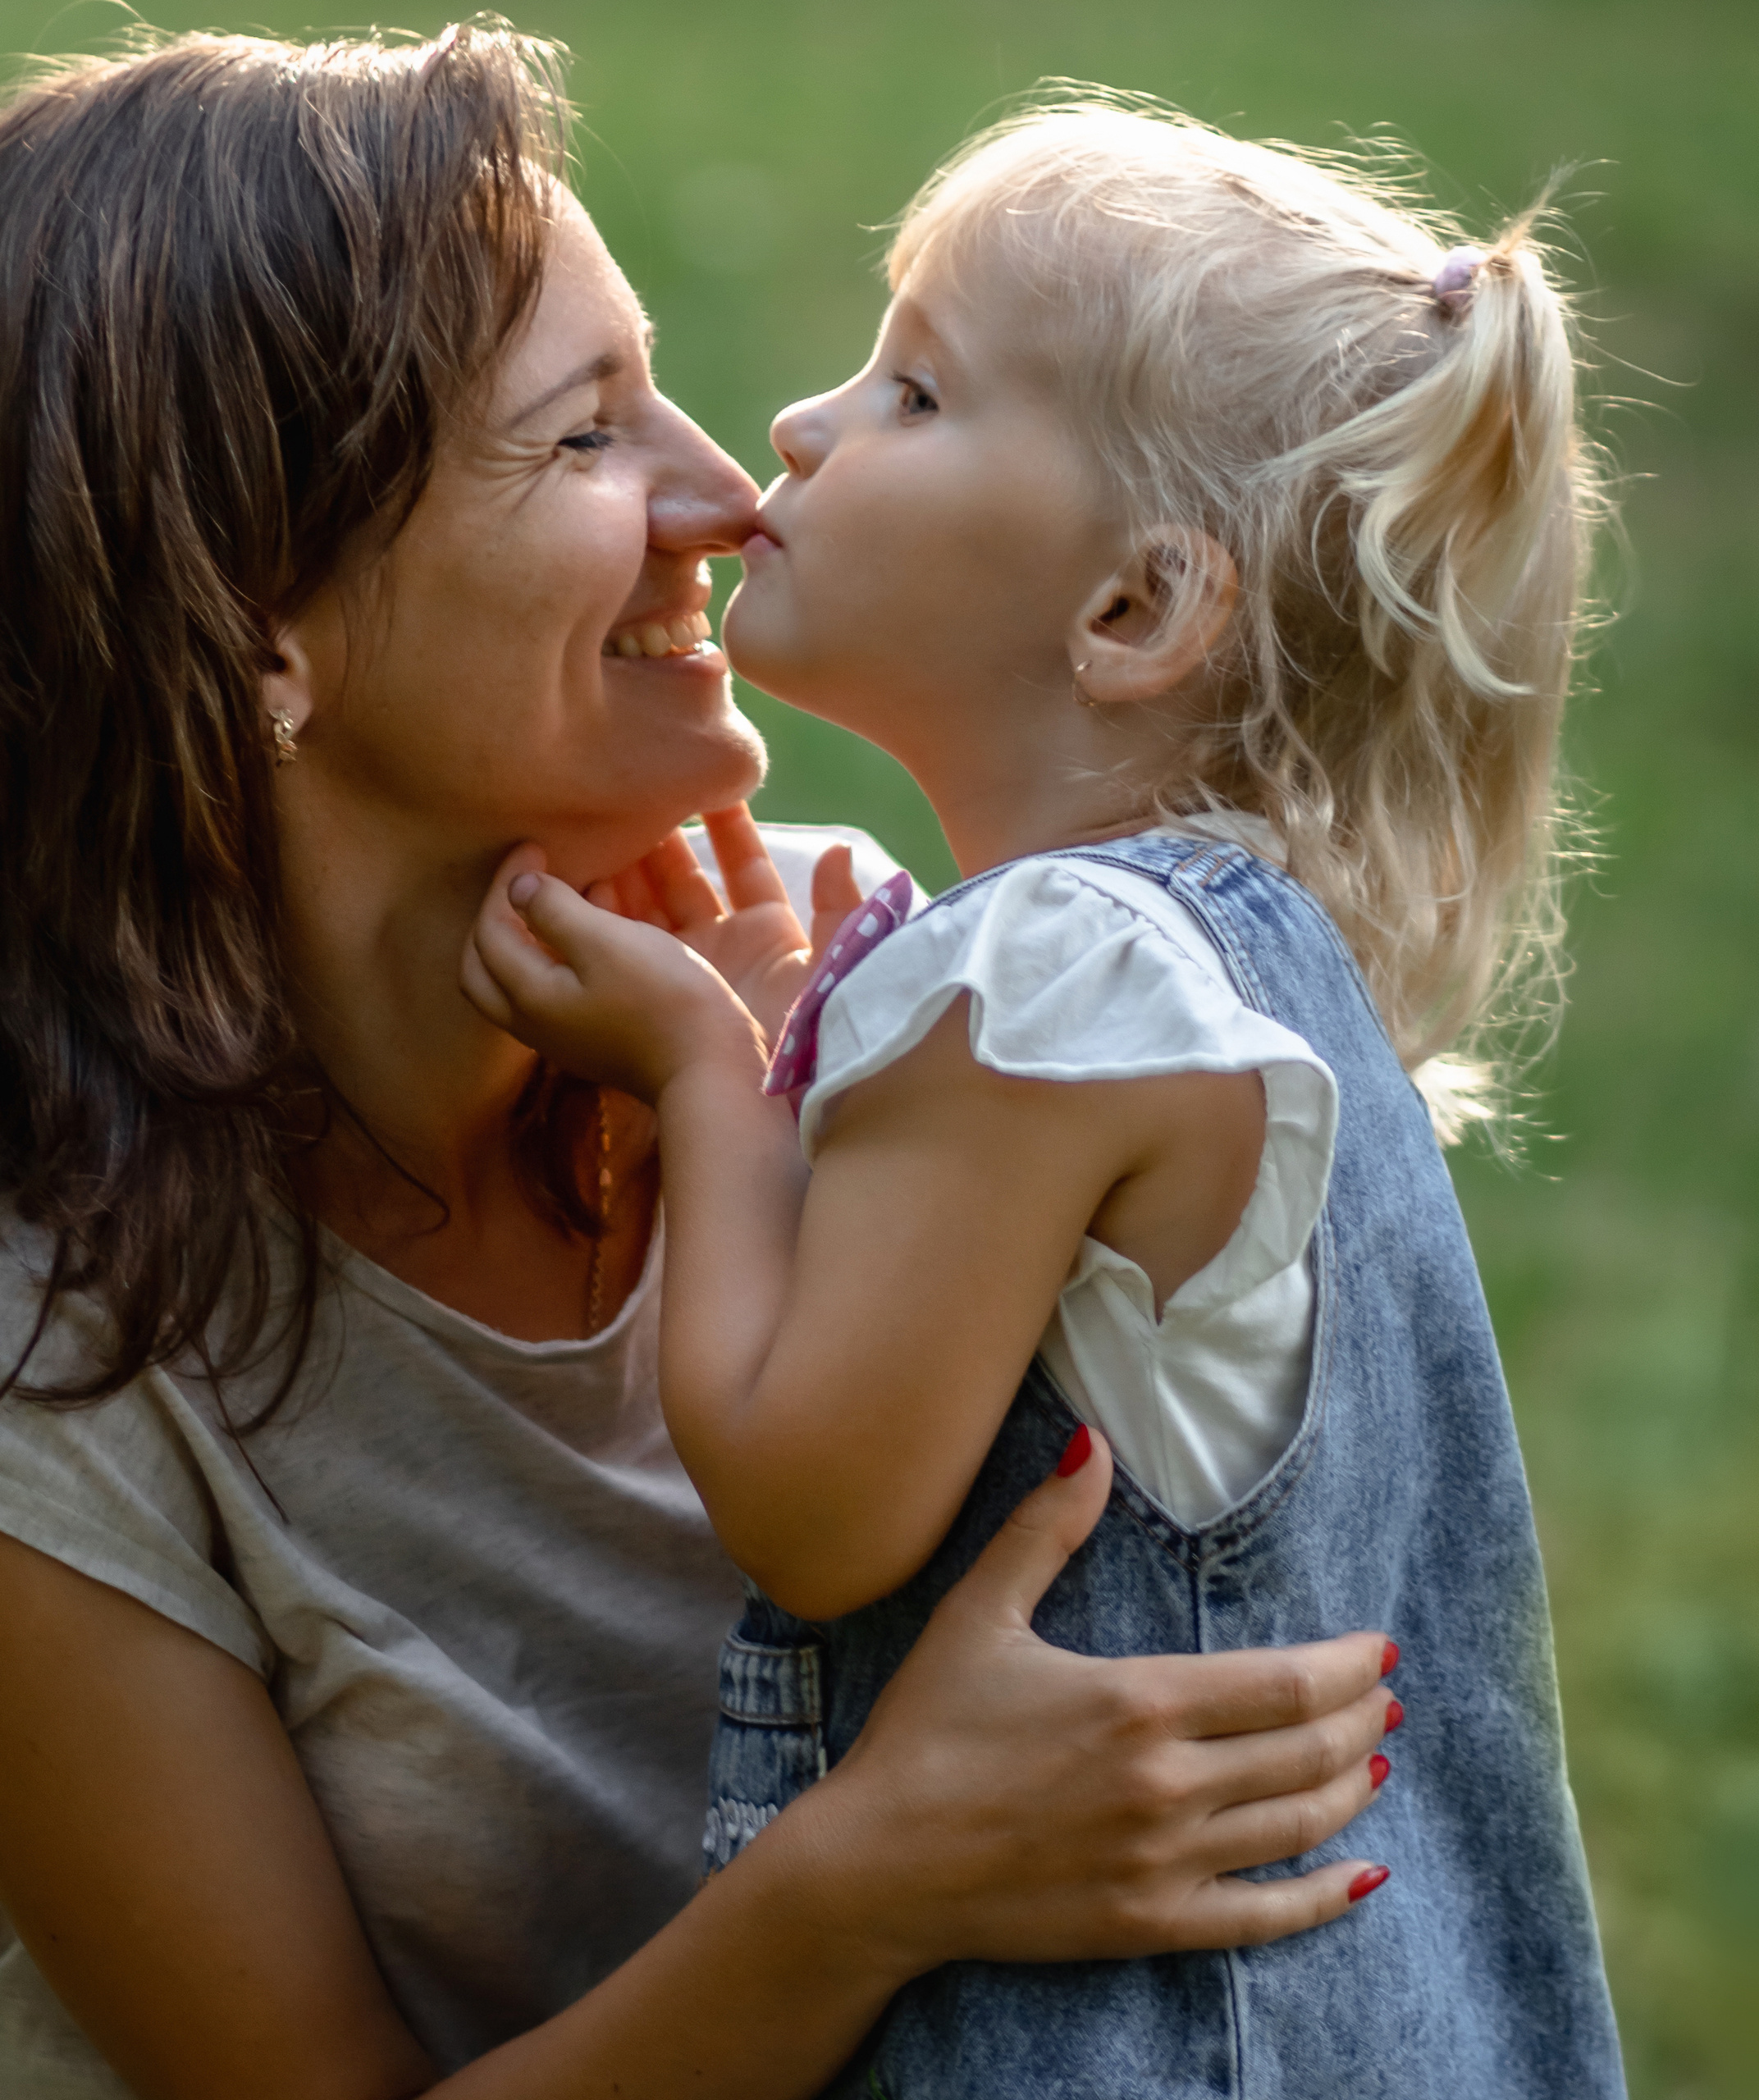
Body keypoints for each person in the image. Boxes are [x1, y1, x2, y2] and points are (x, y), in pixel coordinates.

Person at [0, 33, 1405, 2100]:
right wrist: (870, 1880)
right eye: (585, 440)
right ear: (253, 630)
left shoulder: (882, 997)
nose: (726, 491)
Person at [467, 95, 1626, 2098]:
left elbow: (816, 1503)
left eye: (915, 390)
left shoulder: (1039, 974)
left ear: (1133, 612)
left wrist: (701, 1078)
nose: (805, 426)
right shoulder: (1241, 962)